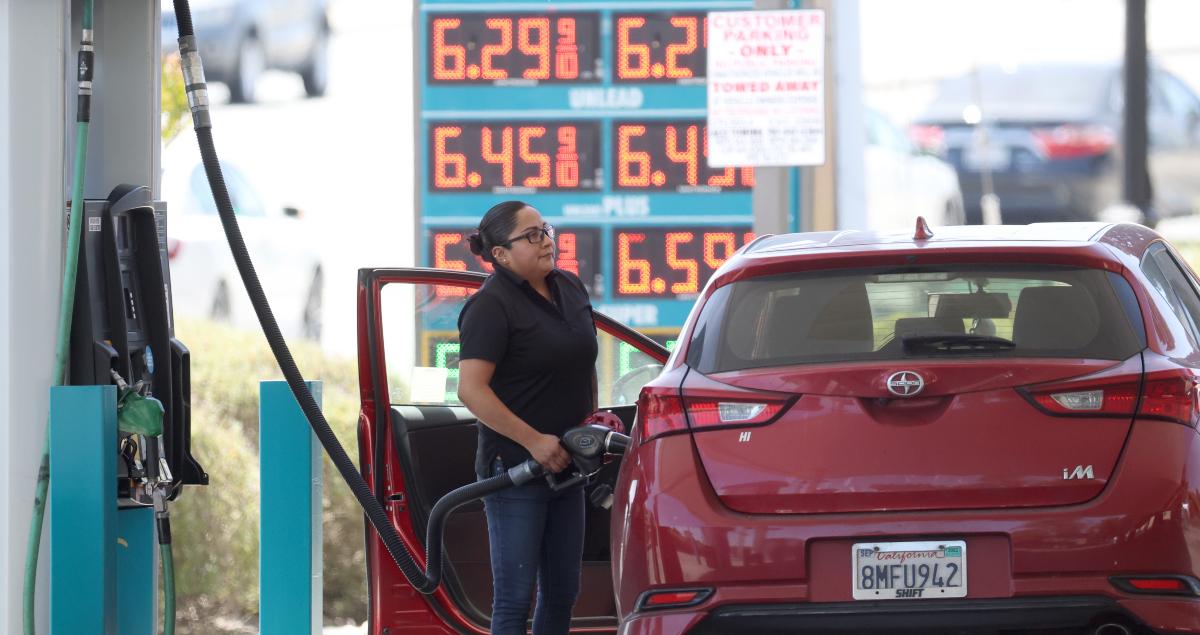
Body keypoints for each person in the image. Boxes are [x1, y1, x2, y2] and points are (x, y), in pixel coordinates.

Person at [456, 200, 599, 635]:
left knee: (562, 594)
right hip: (516, 469)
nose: (546, 242)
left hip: (568, 465)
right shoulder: (490, 306)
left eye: (546, 230)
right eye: (532, 235)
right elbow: (471, 390)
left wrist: (590, 422)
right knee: (516, 600)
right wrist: (535, 441)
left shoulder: (570, 288)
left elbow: (582, 361)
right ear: (500, 254)